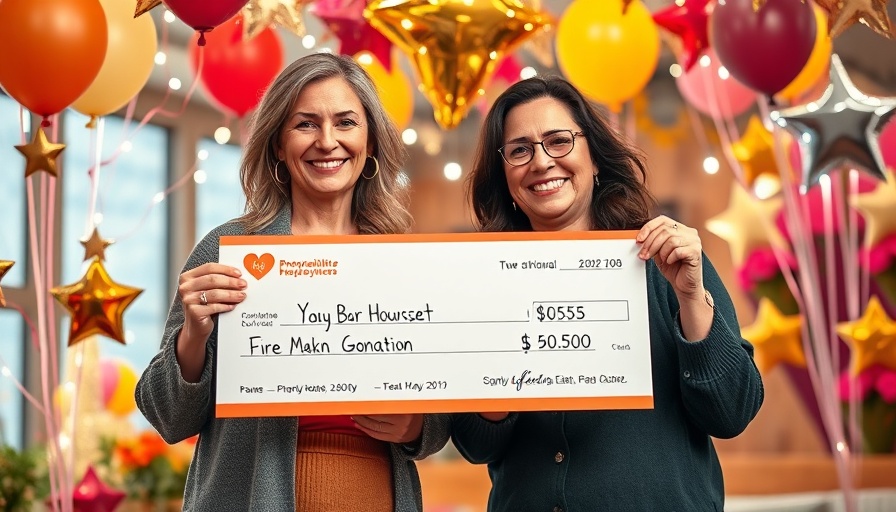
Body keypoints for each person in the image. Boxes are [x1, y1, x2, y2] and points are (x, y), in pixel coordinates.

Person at [136, 52, 449, 512]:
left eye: (346, 122)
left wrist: (419, 427)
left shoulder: (401, 261)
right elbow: (167, 416)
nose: (328, 141)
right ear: (278, 144)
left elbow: (441, 407)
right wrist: (193, 338)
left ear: (371, 142)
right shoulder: (228, 249)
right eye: (305, 124)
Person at [451, 76, 764, 511]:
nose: (541, 162)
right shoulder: (483, 285)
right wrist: (504, 369)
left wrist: (692, 296)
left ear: (594, 158)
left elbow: (732, 412)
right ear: (505, 178)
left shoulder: (665, 263)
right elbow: (475, 443)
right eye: (519, 150)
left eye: (558, 140)